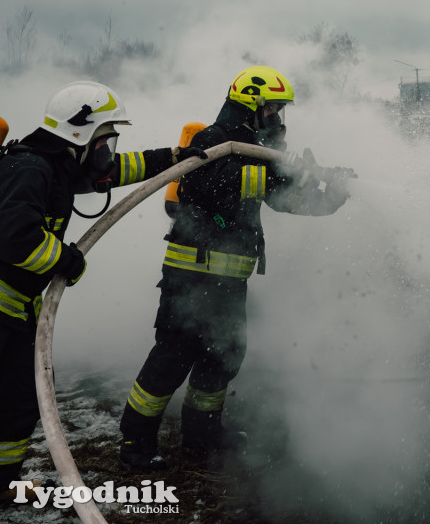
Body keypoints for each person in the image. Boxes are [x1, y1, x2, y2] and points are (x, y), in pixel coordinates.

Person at [118, 65, 354, 471]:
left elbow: (286, 201)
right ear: (250, 107)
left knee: (225, 353)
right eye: (272, 110)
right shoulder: (213, 142)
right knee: (173, 356)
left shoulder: (257, 152)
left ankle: (202, 435)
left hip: (229, 280)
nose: (278, 119)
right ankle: (135, 442)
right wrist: (281, 167)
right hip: (192, 275)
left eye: (281, 111)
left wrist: (327, 191)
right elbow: (204, 186)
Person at [0, 81, 204, 501]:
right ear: (80, 134)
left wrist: (174, 158)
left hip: (17, 310)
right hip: (2, 310)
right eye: (105, 138)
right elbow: (14, 237)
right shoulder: (31, 169)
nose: (108, 149)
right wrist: (64, 261)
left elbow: (118, 171)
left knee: (18, 402)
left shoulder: (56, 166)